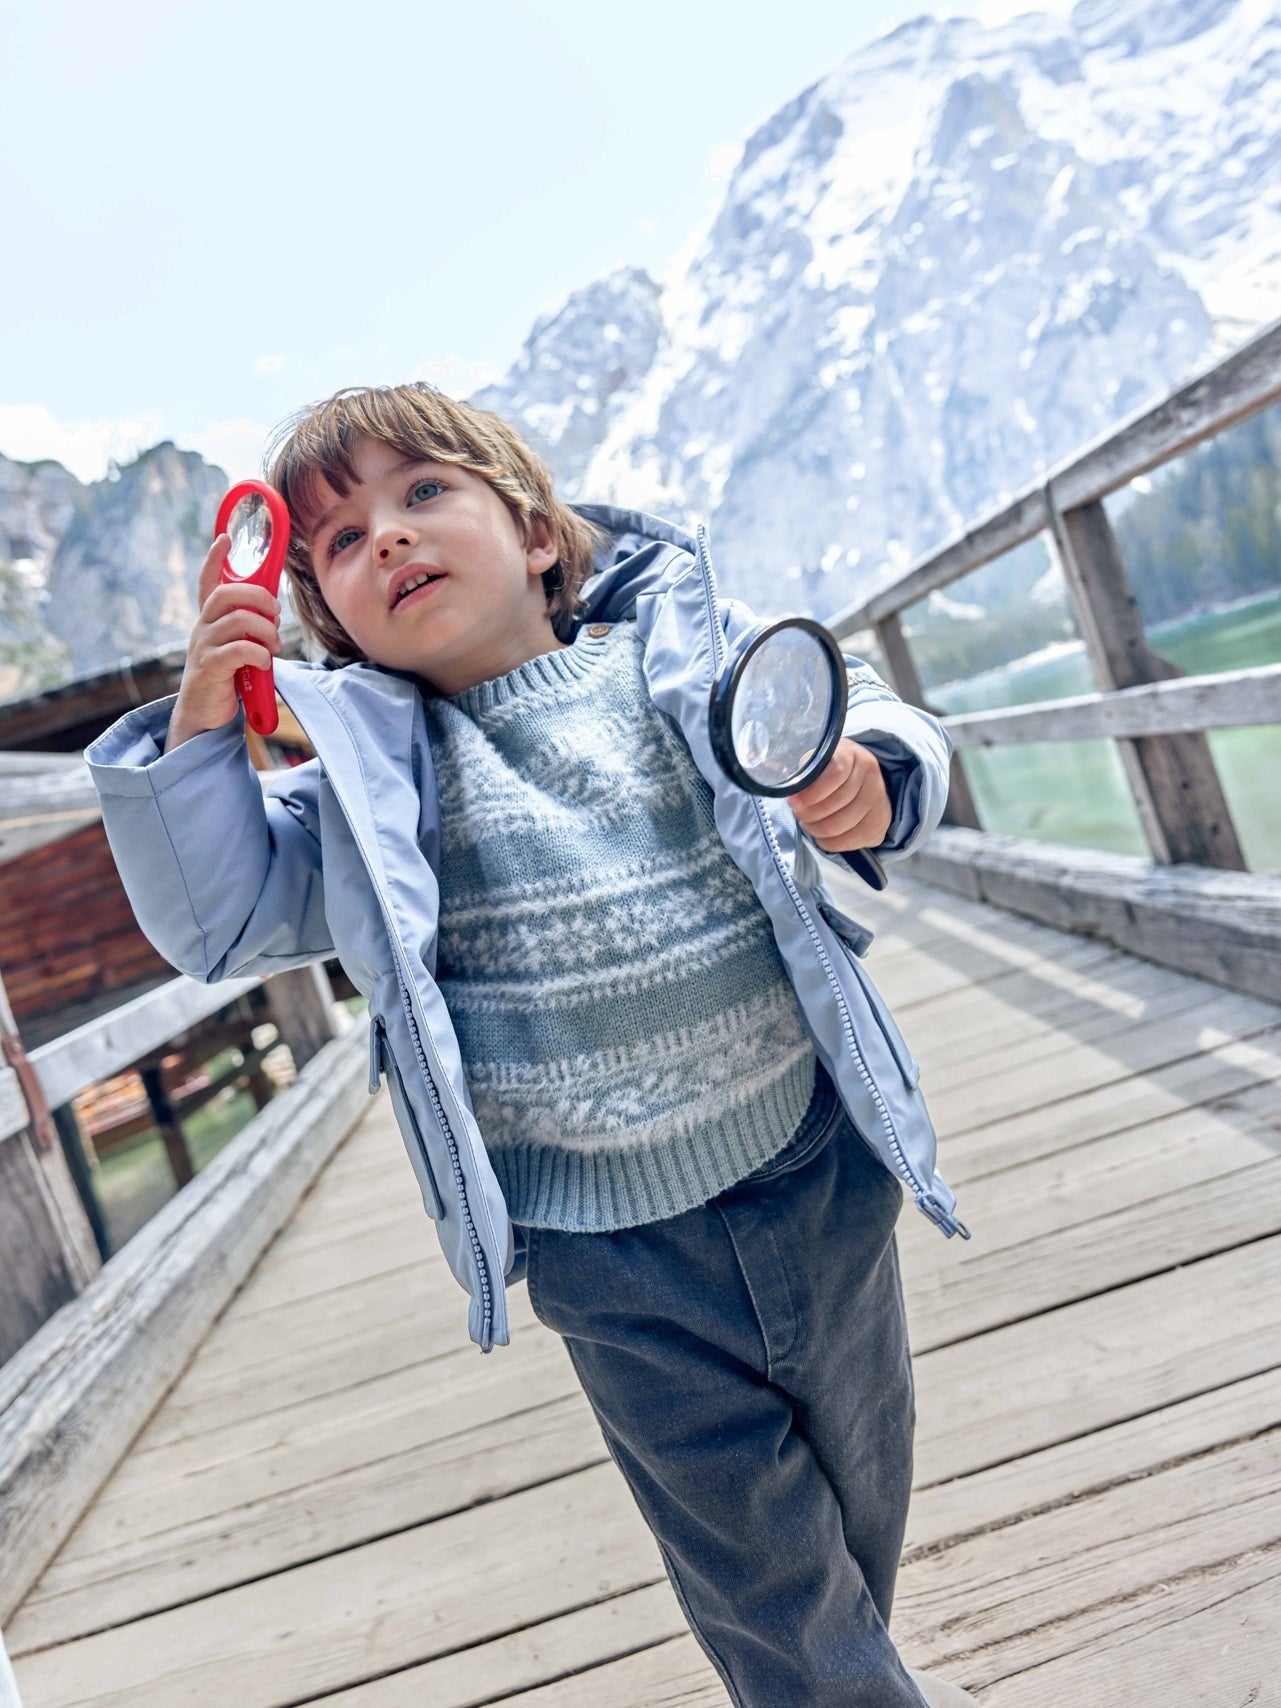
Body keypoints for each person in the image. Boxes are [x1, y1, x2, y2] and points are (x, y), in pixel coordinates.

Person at [84, 383, 977, 1708]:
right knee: (773, 1587)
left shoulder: (675, 660)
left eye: (423, 492)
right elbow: (218, 917)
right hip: (610, 1258)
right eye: (337, 541)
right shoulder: (372, 793)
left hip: (812, 1172)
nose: (385, 536)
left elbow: (844, 701)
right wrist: (206, 727)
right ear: (329, 623)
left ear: (540, 536)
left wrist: (868, 770)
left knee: (855, 1510)